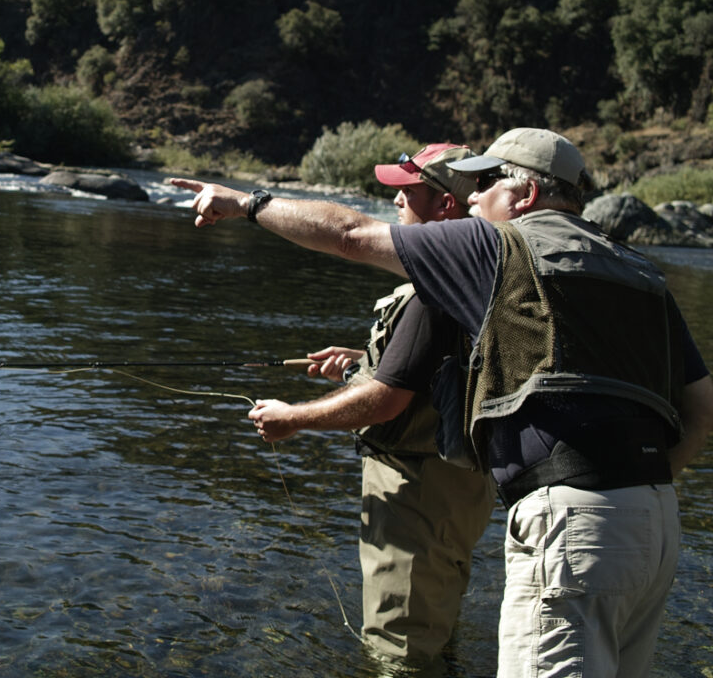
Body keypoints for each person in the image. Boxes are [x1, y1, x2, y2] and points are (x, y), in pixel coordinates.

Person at [170, 128, 713, 677]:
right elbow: (702, 404)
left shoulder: (496, 245)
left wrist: (247, 203)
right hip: (657, 522)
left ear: (523, 196)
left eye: (485, 183)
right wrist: (637, 482)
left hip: (571, 519)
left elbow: (352, 235)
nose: (473, 198)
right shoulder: (640, 270)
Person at [297, 144, 497, 667]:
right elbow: (442, 369)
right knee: (436, 630)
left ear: (445, 208)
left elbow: (385, 404)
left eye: (408, 194)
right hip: (463, 486)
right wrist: (362, 361)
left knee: (400, 651)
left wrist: (291, 419)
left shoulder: (435, 290)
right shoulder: (486, 275)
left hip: (416, 492)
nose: (397, 206)